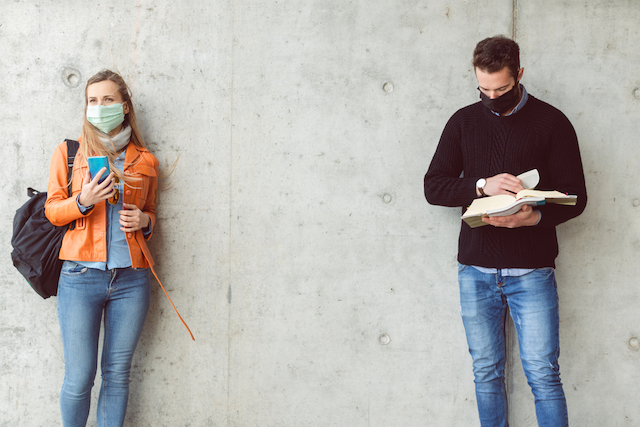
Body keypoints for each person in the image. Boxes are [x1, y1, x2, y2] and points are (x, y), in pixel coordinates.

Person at [424, 36, 587, 427]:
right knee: (486, 374)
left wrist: (532, 218)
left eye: (501, 88)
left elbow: (576, 198)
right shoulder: (463, 121)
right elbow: (433, 186)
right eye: (483, 89)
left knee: (544, 375)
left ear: (520, 75)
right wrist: (481, 186)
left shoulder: (553, 122)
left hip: (532, 271)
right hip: (475, 271)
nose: (492, 96)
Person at [45, 69, 159, 427]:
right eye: (92, 101)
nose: (99, 107)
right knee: (79, 379)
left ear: (124, 106)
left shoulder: (144, 160)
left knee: (117, 374)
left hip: (132, 279)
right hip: (80, 278)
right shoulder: (69, 153)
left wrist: (145, 222)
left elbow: (152, 214)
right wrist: (83, 200)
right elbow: (52, 210)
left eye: (107, 100)